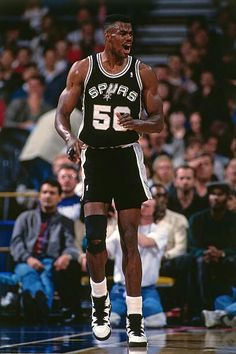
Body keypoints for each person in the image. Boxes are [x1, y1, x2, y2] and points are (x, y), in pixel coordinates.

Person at [55, 14, 164, 347]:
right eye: (121, 33)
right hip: (96, 157)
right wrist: (70, 140)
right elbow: (62, 114)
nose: (128, 37)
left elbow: (158, 121)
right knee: (95, 239)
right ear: (107, 37)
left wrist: (139, 124)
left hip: (127, 156)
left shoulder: (142, 71)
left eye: (131, 33)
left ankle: (135, 319)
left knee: (130, 238)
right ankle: (99, 303)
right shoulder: (83, 69)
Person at [9, 179, 80, 323]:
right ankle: (40, 304)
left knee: (47, 277)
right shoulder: (24, 218)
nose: (48, 196)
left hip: (49, 262)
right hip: (25, 262)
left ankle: (31, 303)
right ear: (39, 195)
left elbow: (70, 245)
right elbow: (16, 244)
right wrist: (28, 259)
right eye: (45, 192)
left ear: (60, 197)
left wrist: (66, 255)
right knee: (29, 274)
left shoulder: (66, 222)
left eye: (52, 193)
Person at [107, 199, 168, 329]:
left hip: (147, 289)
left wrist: (122, 219)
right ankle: (125, 314)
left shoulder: (160, 231)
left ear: (156, 210)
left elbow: (145, 242)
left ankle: (134, 317)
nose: (142, 207)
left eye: (147, 206)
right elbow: (107, 250)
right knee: (109, 320)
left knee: (157, 321)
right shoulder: (120, 230)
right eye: (140, 204)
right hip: (121, 288)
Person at [189, 181, 236, 311]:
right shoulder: (197, 219)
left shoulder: (233, 219)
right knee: (198, 262)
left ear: (227, 197)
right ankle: (202, 309)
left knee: (232, 260)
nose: (215, 197)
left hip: (228, 257)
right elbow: (192, 246)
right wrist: (205, 253)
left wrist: (221, 253)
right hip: (204, 257)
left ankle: (229, 303)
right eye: (212, 194)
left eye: (220, 194)